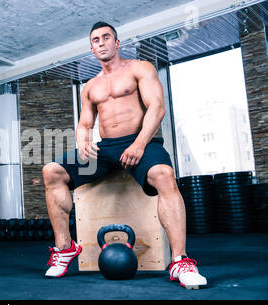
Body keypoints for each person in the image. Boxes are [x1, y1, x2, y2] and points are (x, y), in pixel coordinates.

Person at [42, 21, 207, 289]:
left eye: (106, 37)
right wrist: (83, 141)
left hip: (142, 141)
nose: (101, 43)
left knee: (164, 175)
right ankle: (64, 248)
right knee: (52, 171)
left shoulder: (140, 68)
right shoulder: (90, 87)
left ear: (116, 43)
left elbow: (157, 107)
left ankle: (180, 261)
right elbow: (85, 123)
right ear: (92, 49)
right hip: (106, 149)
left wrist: (140, 144)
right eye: (96, 40)